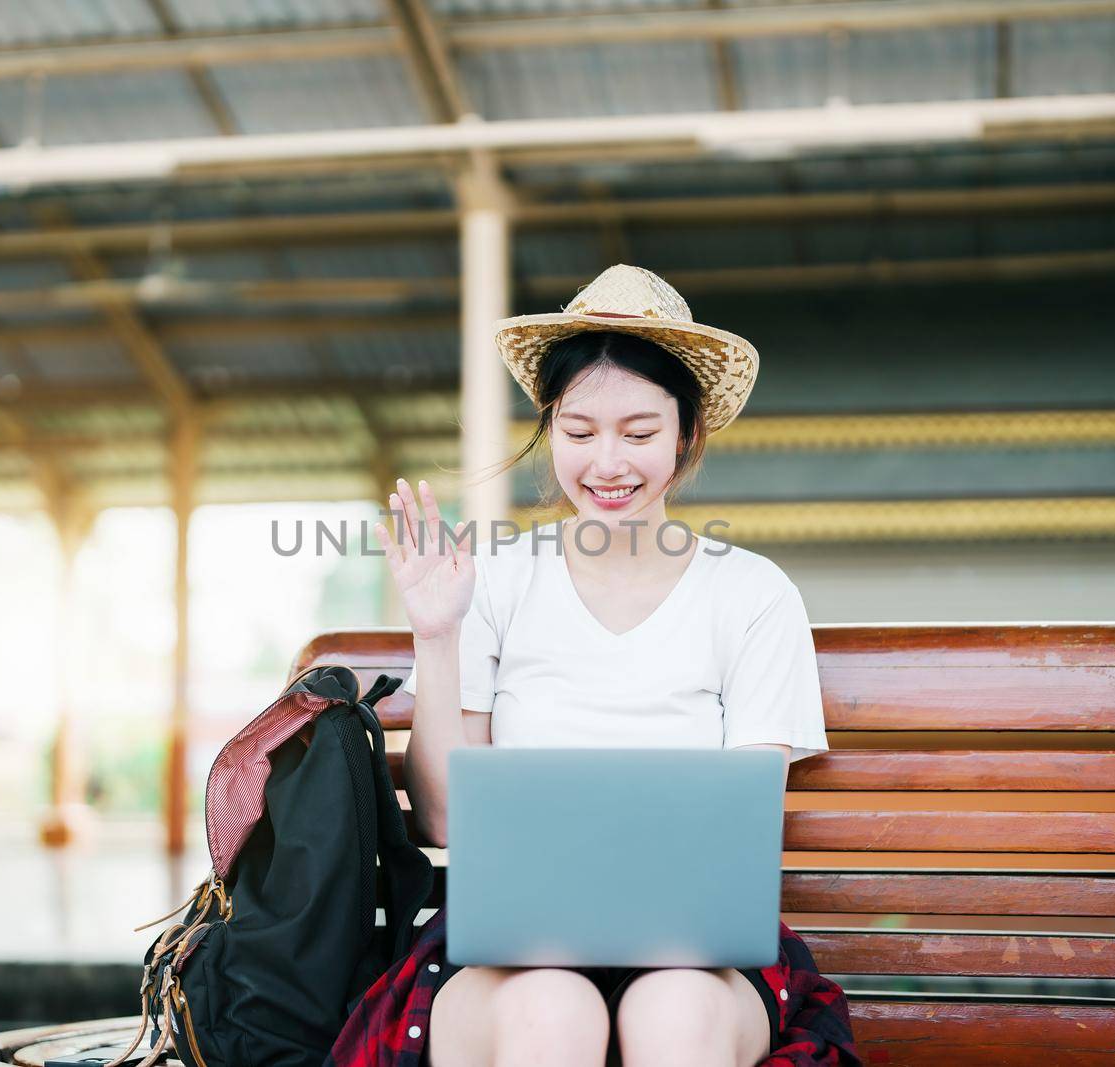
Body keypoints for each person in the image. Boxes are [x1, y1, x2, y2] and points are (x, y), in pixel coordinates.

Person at [337, 265, 857, 1067]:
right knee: (553, 1009)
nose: (607, 463)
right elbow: (443, 820)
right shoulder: (497, 581)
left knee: (676, 1012)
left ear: (686, 433)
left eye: (640, 433)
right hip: (513, 955)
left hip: (697, 955)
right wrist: (436, 637)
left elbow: (739, 839)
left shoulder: (752, 594)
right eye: (579, 432)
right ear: (550, 429)